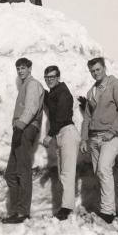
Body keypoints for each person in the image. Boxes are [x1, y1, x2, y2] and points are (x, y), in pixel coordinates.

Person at [80, 57, 118, 224]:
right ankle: (107, 206)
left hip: (111, 136)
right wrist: (84, 139)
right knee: (100, 173)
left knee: (103, 169)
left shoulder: (116, 85)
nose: (95, 73)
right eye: (92, 71)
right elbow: (86, 117)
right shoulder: (91, 92)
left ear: (104, 68)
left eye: (98, 70)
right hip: (94, 138)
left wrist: (113, 131)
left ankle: (108, 212)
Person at [2, 57, 44, 224]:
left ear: (30, 68)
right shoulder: (25, 84)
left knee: (22, 170)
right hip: (20, 128)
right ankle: (15, 211)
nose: (20, 71)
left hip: (25, 128)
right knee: (10, 174)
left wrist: (19, 126)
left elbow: (32, 107)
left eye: (23, 68)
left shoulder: (32, 84)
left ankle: (22, 212)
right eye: (18, 68)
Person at [42, 66, 80, 221]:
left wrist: (49, 135)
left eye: (52, 77)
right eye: (47, 77)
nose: (49, 80)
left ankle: (66, 208)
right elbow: (49, 101)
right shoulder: (53, 93)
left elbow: (61, 115)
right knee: (62, 173)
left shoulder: (63, 93)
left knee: (67, 173)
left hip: (67, 133)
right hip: (61, 134)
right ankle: (65, 206)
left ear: (58, 77)